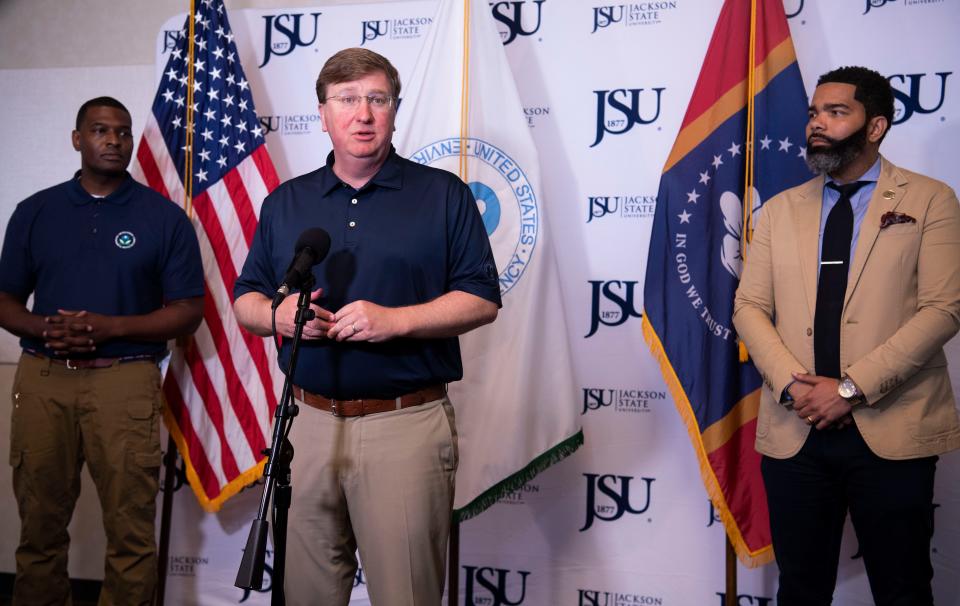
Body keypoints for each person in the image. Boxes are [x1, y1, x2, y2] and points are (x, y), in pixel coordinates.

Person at [233, 48, 500, 605]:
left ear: (395, 112)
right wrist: (277, 316)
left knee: (405, 594)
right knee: (306, 594)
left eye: (377, 99)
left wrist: (395, 321)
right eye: (348, 100)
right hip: (305, 425)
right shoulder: (287, 202)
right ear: (323, 113)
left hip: (404, 425)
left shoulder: (443, 195)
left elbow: (481, 299)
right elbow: (246, 300)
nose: (363, 113)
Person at [734, 66, 960, 605]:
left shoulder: (931, 200)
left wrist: (849, 389)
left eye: (837, 113)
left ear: (875, 125)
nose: (818, 123)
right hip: (797, 431)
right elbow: (748, 306)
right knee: (801, 589)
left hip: (893, 428)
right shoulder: (780, 209)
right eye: (815, 112)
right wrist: (797, 389)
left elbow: (943, 309)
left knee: (903, 588)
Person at [0, 97, 205, 604]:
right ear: (77, 139)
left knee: (131, 533)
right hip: (44, 377)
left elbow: (188, 310)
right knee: (40, 529)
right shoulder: (35, 211)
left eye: (122, 132)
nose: (113, 141)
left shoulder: (164, 218)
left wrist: (110, 327)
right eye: (100, 130)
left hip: (126, 378)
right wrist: (45, 329)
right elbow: (5, 300)